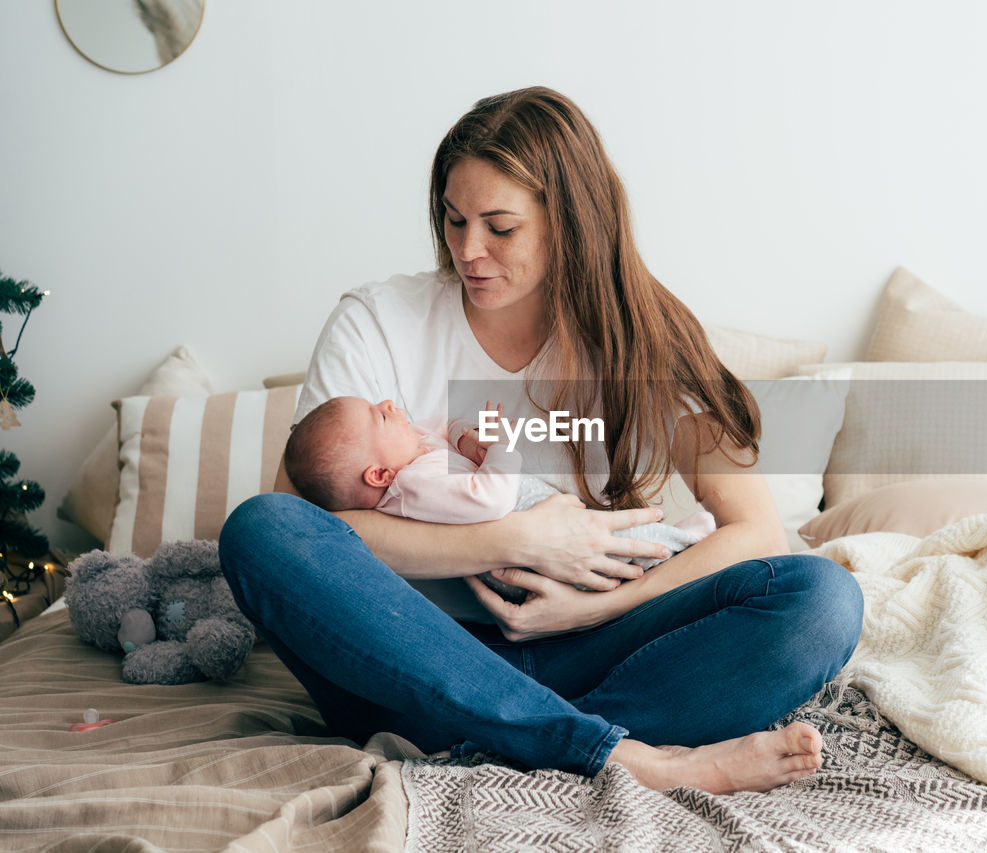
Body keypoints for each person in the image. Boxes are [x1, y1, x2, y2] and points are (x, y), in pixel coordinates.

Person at [218, 86, 864, 794]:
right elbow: (311, 527)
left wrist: (594, 606)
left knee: (822, 599)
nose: (468, 250)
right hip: (408, 656)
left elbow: (756, 530)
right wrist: (513, 540)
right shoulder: (378, 321)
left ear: (570, 224)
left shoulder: (642, 339)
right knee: (258, 529)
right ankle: (627, 755)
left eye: (500, 226)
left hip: (592, 649)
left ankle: (499, 740)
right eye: (455, 219)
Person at [283, 394, 717, 599]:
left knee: (621, 542)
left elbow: (436, 427)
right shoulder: (414, 485)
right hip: (531, 535)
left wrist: (462, 437)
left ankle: (676, 539)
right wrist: (501, 445)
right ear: (378, 474)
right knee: (625, 552)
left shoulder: (409, 462)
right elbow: (489, 499)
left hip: (548, 529)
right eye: (381, 416)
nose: (391, 404)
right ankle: (687, 547)